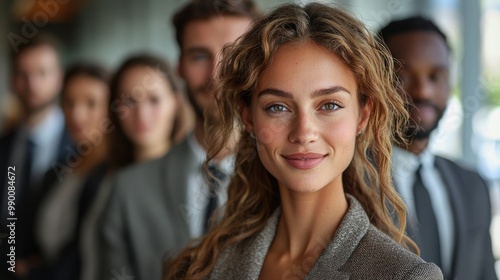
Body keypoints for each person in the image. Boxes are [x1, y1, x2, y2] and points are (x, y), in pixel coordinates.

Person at [165, 3, 443, 280]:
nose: (303, 132)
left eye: (330, 105)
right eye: (277, 107)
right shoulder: (201, 267)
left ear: (363, 115)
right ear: (247, 116)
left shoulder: (406, 276)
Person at [98, 1, 261, 279]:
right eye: (199, 56)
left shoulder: (288, 182)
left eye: (233, 56)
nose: (216, 75)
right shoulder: (129, 190)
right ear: (180, 68)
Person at [379, 16, 497, 280]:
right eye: (403, 77)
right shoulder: (347, 186)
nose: (423, 91)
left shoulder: (473, 186)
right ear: (374, 82)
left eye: (436, 76)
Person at [79, 54, 191, 280]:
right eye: (129, 101)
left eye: (154, 100)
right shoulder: (98, 177)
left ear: (176, 103)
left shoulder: (194, 179)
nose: (142, 114)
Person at [16, 62, 110, 280]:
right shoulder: (57, 171)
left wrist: (32, 273)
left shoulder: (112, 175)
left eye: (91, 103)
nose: (76, 114)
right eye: (69, 102)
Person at [0, 34, 72, 280]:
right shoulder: (5, 146)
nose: (32, 84)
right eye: (23, 74)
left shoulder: (79, 148)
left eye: (42, 72)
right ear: (12, 80)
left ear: (59, 77)